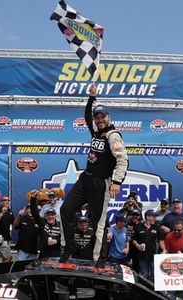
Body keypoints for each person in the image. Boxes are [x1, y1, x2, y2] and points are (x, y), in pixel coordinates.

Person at [60, 84, 128, 267]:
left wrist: (117, 182)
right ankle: (68, 246)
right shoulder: (96, 132)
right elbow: (86, 116)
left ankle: (100, 259)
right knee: (65, 210)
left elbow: (123, 160)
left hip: (101, 183)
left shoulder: (113, 136)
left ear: (109, 117)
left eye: (102, 117)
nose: (99, 120)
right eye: (97, 117)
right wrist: (92, 98)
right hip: (86, 178)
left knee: (98, 223)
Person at [133, 210, 163, 281]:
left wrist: (164, 249)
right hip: (142, 256)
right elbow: (133, 239)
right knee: (144, 275)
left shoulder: (156, 227)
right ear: (147, 217)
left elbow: (161, 240)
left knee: (154, 275)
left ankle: (153, 291)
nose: (155, 218)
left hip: (154, 256)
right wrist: (137, 245)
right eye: (154, 216)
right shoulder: (138, 227)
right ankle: (144, 291)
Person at [0, 195, 14, 263]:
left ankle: (1, 271)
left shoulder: (10, 211)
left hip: (6, 237)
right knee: (8, 257)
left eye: (8, 200)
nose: (7, 201)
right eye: (5, 200)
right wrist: (2, 213)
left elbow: (14, 222)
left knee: (5, 258)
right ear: (1, 202)